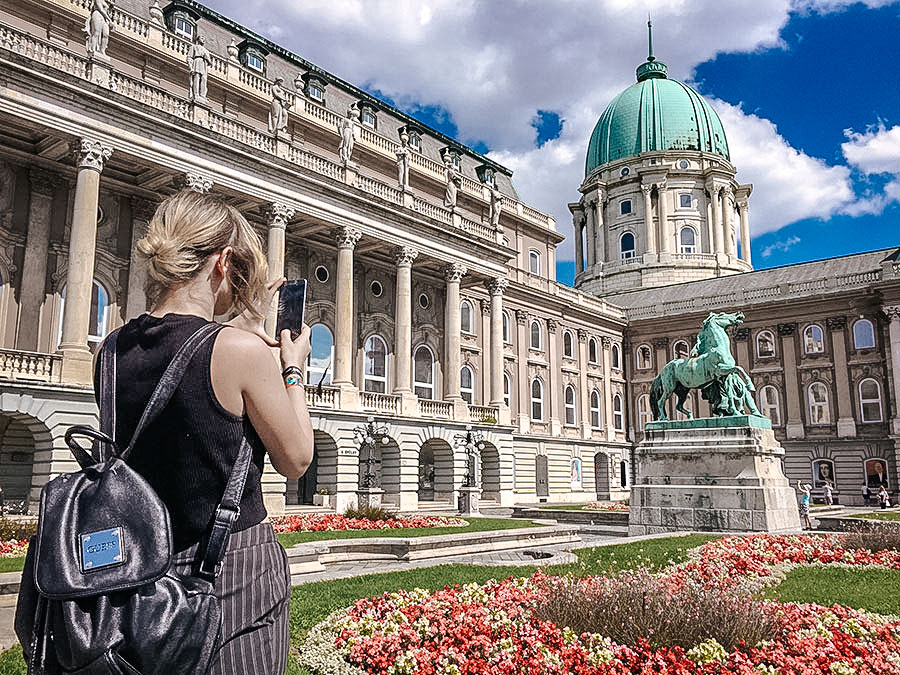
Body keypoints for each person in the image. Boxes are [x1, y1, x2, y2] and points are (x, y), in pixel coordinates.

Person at [100, 190, 314, 673]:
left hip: (140, 567)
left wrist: (242, 327)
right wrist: (292, 369)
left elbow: (184, 371)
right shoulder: (239, 351)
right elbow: (297, 458)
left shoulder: (112, 350)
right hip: (231, 569)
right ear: (222, 263)